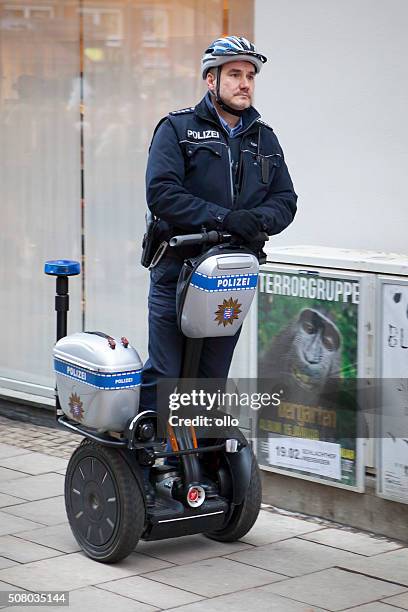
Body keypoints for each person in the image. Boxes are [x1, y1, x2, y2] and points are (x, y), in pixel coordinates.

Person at [139, 35, 297, 413]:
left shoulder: (264, 139)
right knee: (166, 375)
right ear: (211, 80)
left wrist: (254, 221)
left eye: (250, 76)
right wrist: (225, 218)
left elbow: (286, 201)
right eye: (234, 74)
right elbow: (162, 193)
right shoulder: (177, 129)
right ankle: (149, 460)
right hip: (177, 270)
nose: (245, 83)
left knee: (210, 380)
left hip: (229, 276)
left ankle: (202, 465)